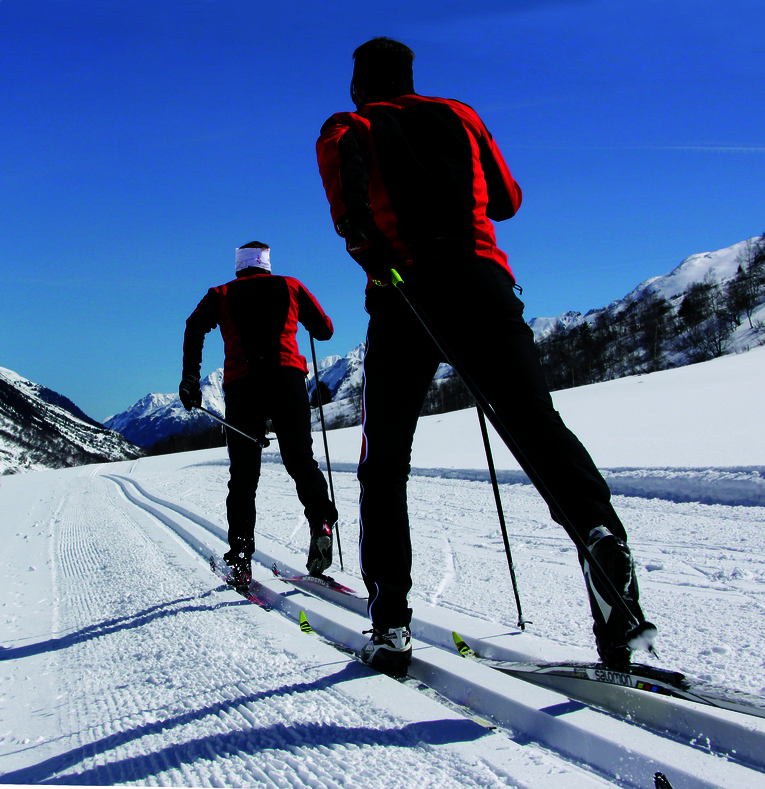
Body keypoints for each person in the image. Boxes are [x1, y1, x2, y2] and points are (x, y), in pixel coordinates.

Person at [316, 37, 655, 677]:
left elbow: (350, 215)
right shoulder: (461, 115)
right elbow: (506, 200)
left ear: (359, 84)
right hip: (482, 280)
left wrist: (379, 257)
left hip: (405, 292)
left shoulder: (346, 126)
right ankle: (604, 553)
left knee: (384, 460)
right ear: (413, 77)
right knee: (537, 426)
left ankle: (390, 624)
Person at [179, 240, 338, 590]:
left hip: (244, 385)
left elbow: (194, 325)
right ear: (266, 264)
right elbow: (324, 330)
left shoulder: (220, 293)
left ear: (239, 266)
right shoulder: (291, 286)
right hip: (287, 379)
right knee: (299, 459)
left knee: (244, 476)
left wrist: (191, 376)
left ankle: (241, 559)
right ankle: (321, 521)